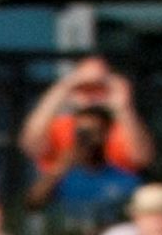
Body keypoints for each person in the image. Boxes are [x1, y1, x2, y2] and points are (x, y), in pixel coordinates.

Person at [20, 55, 151, 180]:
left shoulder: (122, 127)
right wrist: (64, 87)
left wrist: (123, 107)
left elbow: (140, 158)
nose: (91, 97)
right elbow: (31, 147)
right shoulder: (60, 125)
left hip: (114, 195)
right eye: (85, 88)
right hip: (63, 196)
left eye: (98, 88)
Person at [35, 103, 140, 230]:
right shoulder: (62, 175)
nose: (85, 138)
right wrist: (61, 166)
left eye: (93, 132)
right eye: (81, 132)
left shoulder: (125, 179)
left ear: (106, 134)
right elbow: (33, 203)